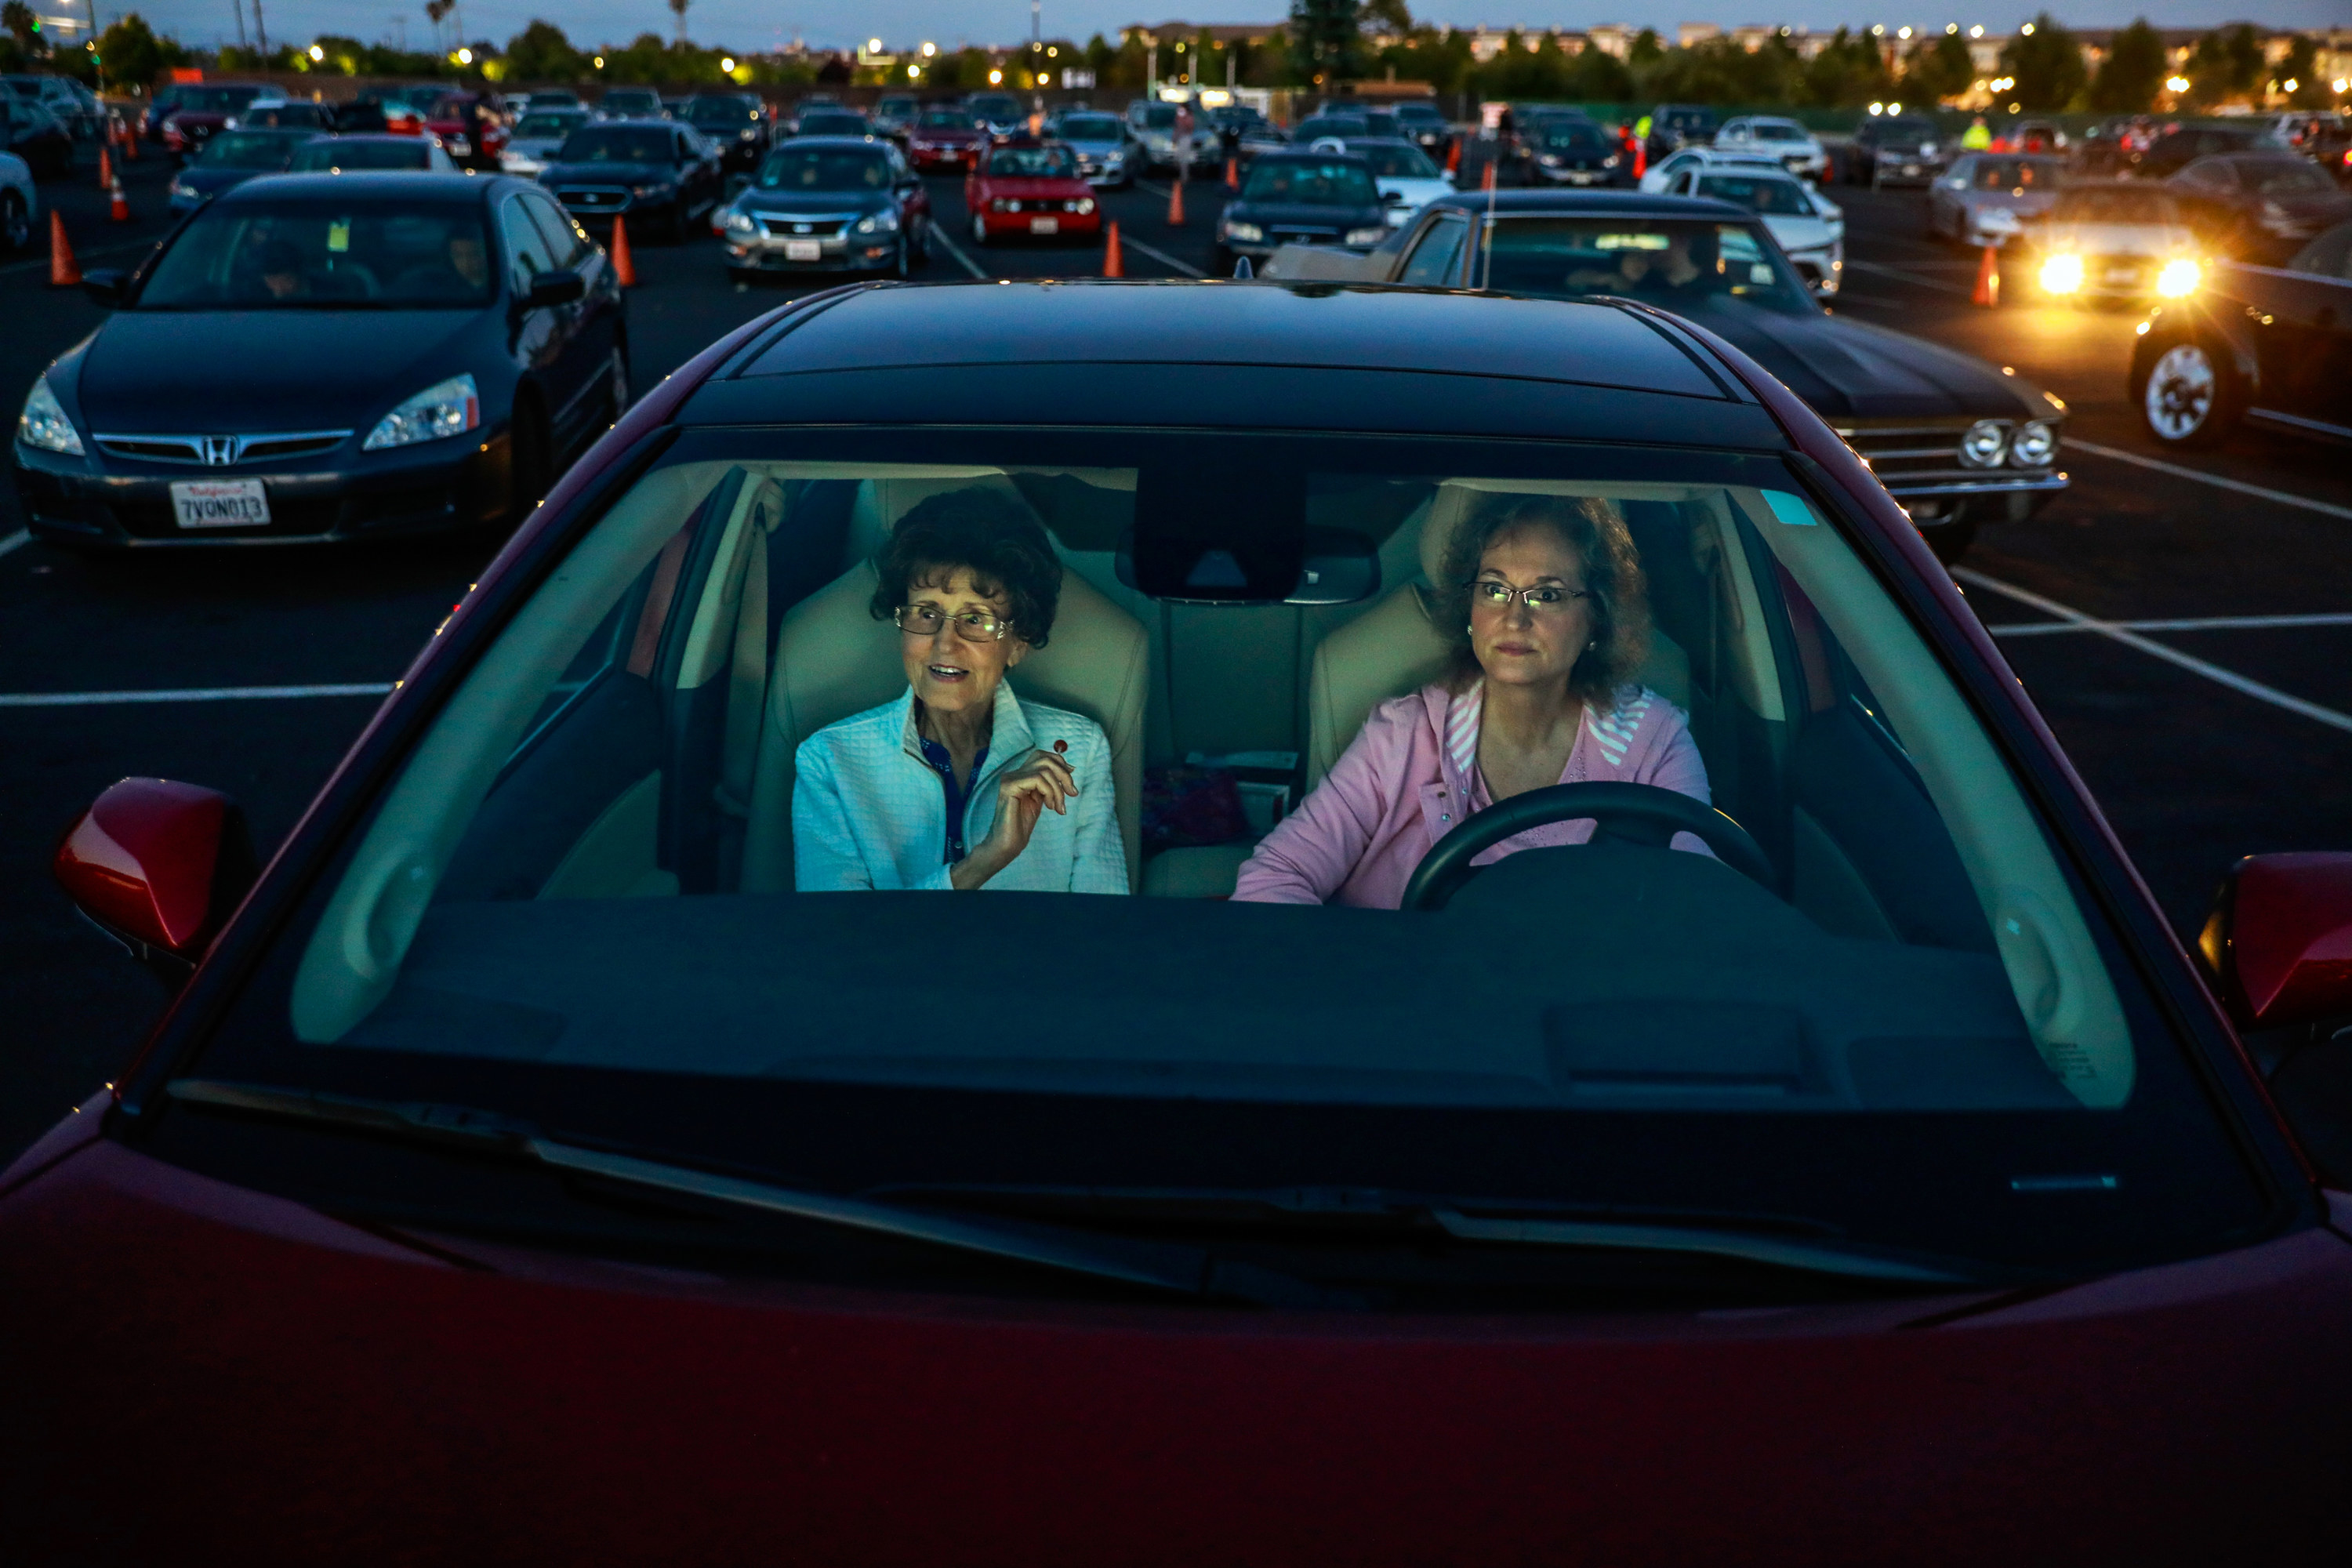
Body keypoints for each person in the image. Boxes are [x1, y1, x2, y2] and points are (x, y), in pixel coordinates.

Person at [1232, 493, 1711, 909]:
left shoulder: (1655, 742)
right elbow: (1276, 875)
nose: (1514, 618)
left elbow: (1698, 905)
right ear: (1471, 611)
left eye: (1547, 594)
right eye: (1496, 589)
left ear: (1596, 621)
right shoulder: (1402, 736)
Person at [793, 489, 1127, 894]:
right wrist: (984, 862)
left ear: (1018, 643)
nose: (945, 644)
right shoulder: (830, 761)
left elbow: (1102, 929)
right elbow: (839, 940)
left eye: (976, 619)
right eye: (927, 613)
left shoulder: (1078, 749)